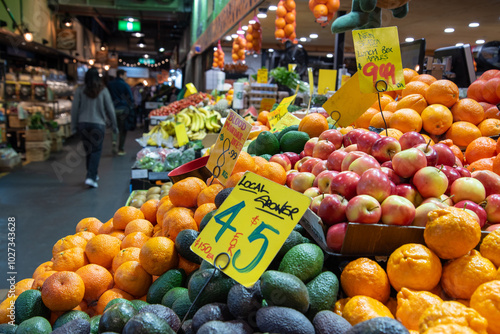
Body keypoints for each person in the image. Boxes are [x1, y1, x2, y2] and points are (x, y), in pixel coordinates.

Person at [71, 67, 118, 188]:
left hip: (83, 124)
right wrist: (114, 125)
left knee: (88, 150)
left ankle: (92, 174)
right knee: (96, 151)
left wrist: (73, 126)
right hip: (98, 124)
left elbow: (74, 109)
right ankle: (91, 177)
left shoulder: (80, 90)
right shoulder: (103, 90)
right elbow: (110, 109)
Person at [107, 69, 134, 155]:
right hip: (123, 109)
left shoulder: (110, 84)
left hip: (112, 109)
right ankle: (121, 149)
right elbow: (130, 98)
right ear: (121, 75)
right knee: (123, 129)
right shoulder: (125, 85)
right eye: (125, 75)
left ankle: (114, 142)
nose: (126, 77)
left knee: (114, 127)